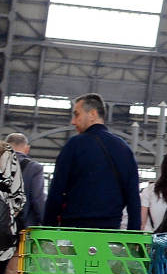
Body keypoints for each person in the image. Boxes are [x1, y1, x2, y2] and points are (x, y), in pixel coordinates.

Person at [43, 94, 140, 229]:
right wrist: (134, 233)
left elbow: (56, 191)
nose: (73, 121)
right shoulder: (124, 148)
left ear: (93, 114)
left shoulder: (74, 145)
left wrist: (48, 228)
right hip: (110, 230)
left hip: (74, 229)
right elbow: (133, 198)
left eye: (77, 114)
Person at [5, 133, 44, 230]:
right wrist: (45, 222)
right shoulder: (34, 168)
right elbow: (37, 199)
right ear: (27, 148)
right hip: (23, 228)